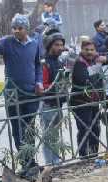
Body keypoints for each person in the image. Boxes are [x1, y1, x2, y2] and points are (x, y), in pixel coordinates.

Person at [0, 14, 43, 174]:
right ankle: (25, 164)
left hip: (31, 93)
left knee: (30, 128)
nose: (16, 31)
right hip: (13, 94)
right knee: (17, 129)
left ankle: (31, 161)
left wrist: (39, 82)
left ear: (26, 29)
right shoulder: (7, 42)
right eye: (14, 28)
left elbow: (37, 65)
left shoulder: (34, 44)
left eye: (20, 28)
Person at [70, 39, 105, 158]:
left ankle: (94, 153)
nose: (89, 52)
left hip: (93, 101)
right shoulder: (79, 63)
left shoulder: (94, 61)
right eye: (87, 50)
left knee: (96, 128)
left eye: (92, 50)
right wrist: (97, 68)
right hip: (81, 102)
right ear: (82, 50)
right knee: (85, 129)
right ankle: (84, 155)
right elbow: (84, 79)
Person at [41, 29, 66, 166]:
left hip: (58, 103)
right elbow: (44, 86)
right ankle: (50, 163)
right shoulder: (45, 63)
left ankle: (56, 160)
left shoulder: (59, 61)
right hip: (48, 104)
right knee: (48, 136)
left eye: (61, 45)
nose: (60, 48)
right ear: (50, 45)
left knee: (55, 135)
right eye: (57, 45)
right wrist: (57, 87)